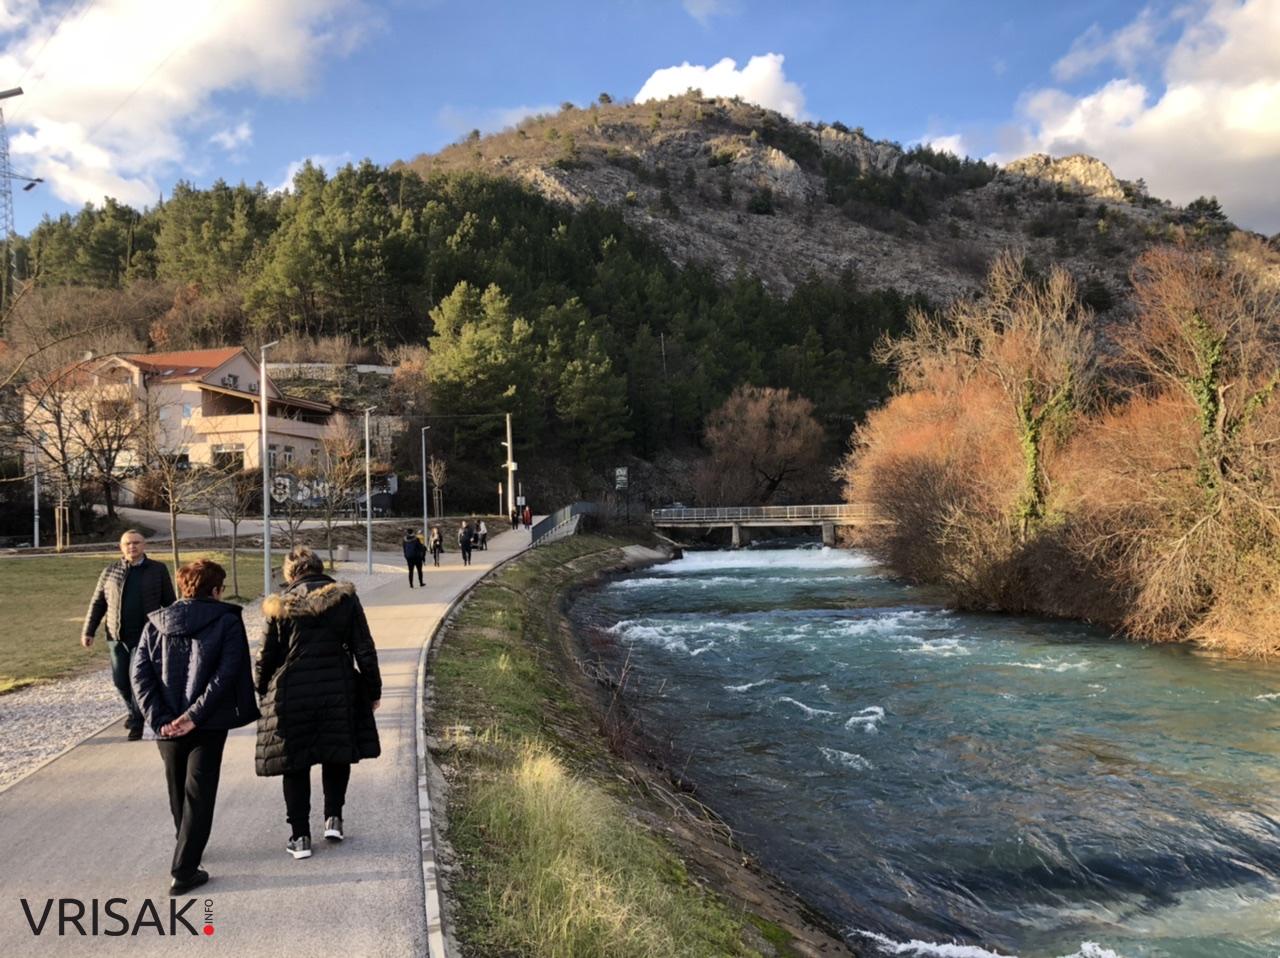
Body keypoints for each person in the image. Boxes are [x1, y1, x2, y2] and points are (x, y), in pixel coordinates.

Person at [130, 559, 259, 895]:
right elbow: (226, 674)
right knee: (199, 792)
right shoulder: (227, 620)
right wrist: (194, 716)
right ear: (215, 590)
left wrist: (159, 719)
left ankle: (186, 845)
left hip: (167, 724)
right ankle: (185, 868)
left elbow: (140, 675)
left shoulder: (154, 623)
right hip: (208, 721)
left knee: (177, 787)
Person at [256, 546, 382, 860]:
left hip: (291, 692)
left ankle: (300, 837)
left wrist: (261, 690)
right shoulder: (345, 598)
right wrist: (372, 690)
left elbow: (266, 656)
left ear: (290, 574)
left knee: (295, 763)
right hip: (338, 686)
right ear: (319, 567)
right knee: (335, 751)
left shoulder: (280, 605)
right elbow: (364, 648)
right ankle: (333, 818)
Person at [82, 529, 177, 740]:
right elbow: (98, 603)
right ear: (121, 547)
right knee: (120, 681)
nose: (132, 547)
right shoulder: (110, 571)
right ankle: (134, 712)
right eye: (127, 543)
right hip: (116, 635)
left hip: (145, 636)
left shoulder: (157, 569)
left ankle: (137, 721)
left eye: (136, 543)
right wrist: (89, 630)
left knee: (137, 679)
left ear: (144, 545)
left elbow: (169, 603)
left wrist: (174, 630)